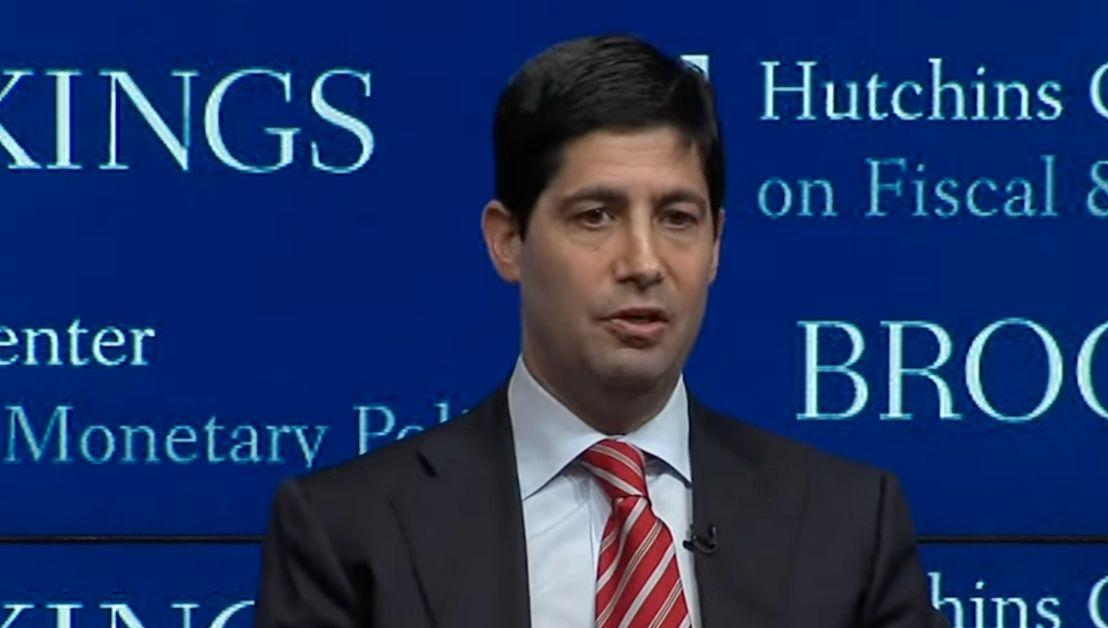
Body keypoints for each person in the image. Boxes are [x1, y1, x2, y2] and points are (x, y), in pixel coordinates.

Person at [254, 34, 948, 628]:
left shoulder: (845, 522)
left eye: (678, 218)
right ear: (509, 240)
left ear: (716, 246)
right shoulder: (349, 532)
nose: (643, 263)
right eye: (595, 216)